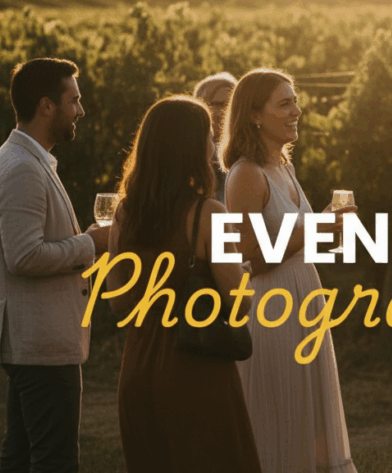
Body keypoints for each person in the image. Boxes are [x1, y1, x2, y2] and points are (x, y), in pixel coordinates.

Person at [104, 95, 261, 472]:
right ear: (191, 147)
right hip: (196, 370)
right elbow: (239, 303)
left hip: (138, 370)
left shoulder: (124, 212)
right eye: (208, 134)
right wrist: (245, 273)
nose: (212, 144)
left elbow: (118, 304)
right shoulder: (211, 213)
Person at [221, 68, 358, 473]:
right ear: (255, 115)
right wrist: (318, 227)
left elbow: (296, 241)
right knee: (279, 418)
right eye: (285, 103)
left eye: (295, 101)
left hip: (305, 297)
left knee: (308, 413)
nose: (296, 110)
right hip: (272, 306)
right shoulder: (246, 174)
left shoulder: (284, 165)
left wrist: (330, 229)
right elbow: (250, 258)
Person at [0, 58, 109, 473]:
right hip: (40, 339)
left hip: (33, 337)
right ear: (47, 105)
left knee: (18, 454)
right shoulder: (21, 169)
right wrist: (91, 243)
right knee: (54, 459)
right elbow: (24, 256)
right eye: (75, 100)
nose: (81, 111)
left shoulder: (22, 159)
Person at [194, 72, 237, 204]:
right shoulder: (189, 156)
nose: (225, 112)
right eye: (218, 104)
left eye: (231, 105)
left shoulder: (252, 154)